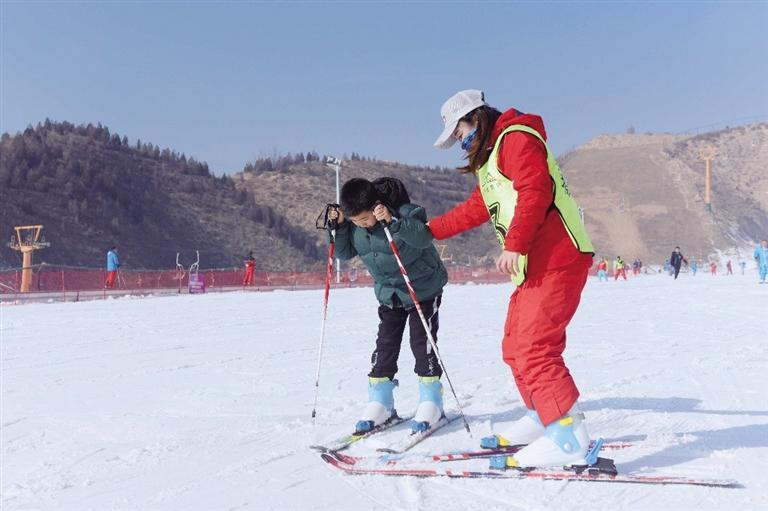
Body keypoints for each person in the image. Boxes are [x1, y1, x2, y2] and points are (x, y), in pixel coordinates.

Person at [427, 90, 594, 468]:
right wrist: (430, 230)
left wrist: (515, 244)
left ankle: (569, 436)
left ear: (476, 119)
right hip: (533, 266)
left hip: (557, 257)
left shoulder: (516, 138)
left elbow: (536, 190)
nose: (460, 141)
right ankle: (542, 416)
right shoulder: (491, 159)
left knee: (536, 348)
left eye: (460, 132)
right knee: (515, 347)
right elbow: (476, 209)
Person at [327, 177, 449, 434]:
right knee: (385, 346)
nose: (360, 225)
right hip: (390, 294)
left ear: (376, 207)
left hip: (422, 290)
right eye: (355, 222)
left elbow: (423, 239)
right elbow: (345, 252)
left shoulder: (407, 213)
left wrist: (394, 224)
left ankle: (431, 402)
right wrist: (338, 229)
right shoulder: (356, 226)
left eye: (363, 219)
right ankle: (381, 401)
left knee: (421, 344)